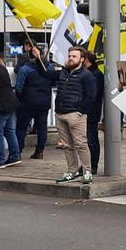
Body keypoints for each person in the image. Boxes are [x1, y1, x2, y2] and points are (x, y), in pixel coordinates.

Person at [43, 46, 96, 183]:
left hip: (75, 115)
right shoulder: (63, 73)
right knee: (67, 145)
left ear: (82, 59)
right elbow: (46, 74)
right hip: (61, 113)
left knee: (81, 144)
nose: (70, 58)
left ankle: (87, 171)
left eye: (74, 56)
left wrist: (81, 111)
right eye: (70, 56)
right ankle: (72, 171)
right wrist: (39, 58)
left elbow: (91, 96)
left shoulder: (86, 75)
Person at [15, 44, 54, 160]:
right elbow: (53, 82)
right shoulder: (49, 68)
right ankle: (39, 151)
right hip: (44, 102)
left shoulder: (25, 69)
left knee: (21, 127)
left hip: (28, 102)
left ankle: (18, 151)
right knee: (42, 127)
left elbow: (18, 87)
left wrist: (21, 99)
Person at [81, 49, 105, 174]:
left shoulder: (94, 74)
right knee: (88, 139)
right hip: (90, 111)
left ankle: (92, 165)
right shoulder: (92, 73)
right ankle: (88, 165)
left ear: (86, 60)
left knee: (91, 139)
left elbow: (92, 95)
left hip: (91, 112)